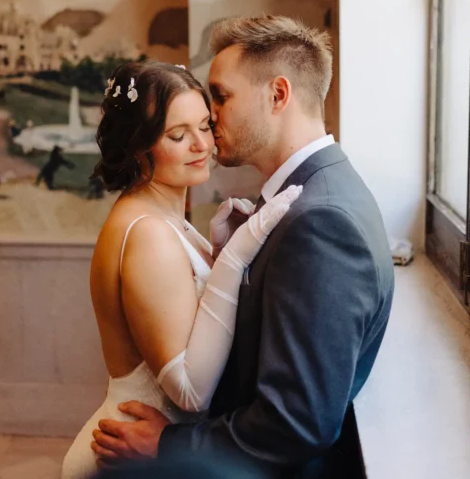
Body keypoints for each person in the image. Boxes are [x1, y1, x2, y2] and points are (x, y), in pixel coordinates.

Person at [91, 15, 395, 478]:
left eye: (221, 96)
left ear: (278, 95)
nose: (211, 117)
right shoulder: (313, 196)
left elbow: (296, 420)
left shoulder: (320, 220)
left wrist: (171, 444)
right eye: (179, 132)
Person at [61, 60, 302, 479]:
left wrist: (219, 249)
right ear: (139, 148)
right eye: (178, 135)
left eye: (205, 126)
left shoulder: (163, 217)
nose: (202, 144)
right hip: (127, 459)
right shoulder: (148, 232)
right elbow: (191, 391)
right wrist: (234, 257)